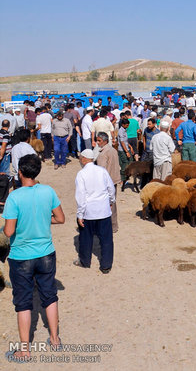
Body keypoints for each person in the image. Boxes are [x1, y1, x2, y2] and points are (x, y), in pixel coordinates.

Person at [3, 154, 65, 362]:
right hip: (46, 252)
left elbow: (9, 232)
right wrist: (42, 221)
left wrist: (9, 226)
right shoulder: (48, 191)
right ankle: (55, 339)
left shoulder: (14, 197)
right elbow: (60, 218)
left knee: (23, 302)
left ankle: (25, 350)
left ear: (20, 172)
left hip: (21, 256)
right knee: (50, 295)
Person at [74, 149, 115, 274]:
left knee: (86, 238)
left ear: (85, 159)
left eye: (81, 158)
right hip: (103, 210)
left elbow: (80, 196)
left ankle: (85, 261)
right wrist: (111, 201)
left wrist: (80, 214)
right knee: (106, 239)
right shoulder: (102, 171)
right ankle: (106, 265)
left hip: (89, 212)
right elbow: (110, 188)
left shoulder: (81, 174)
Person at [95, 132, 121, 233]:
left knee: (105, 205)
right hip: (114, 180)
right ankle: (114, 226)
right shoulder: (113, 150)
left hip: (105, 183)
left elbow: (101, 170)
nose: (97, 143)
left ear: (105, 141)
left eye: (99, 141)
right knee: (112, 203)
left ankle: (106, 227)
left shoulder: (103, 154)